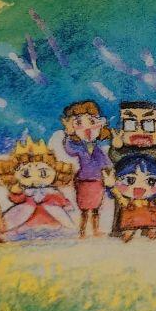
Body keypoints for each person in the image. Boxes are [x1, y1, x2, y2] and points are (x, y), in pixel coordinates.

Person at [49, 100, 112, 238]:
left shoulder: (97, 149)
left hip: (97, 181)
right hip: (83, 181)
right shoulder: (77, 147)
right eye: (78, 122)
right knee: (84, 209)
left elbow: (105, 163)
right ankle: (82, 232)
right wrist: (68, 134)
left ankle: (95, 230)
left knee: (96, 209)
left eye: (91, 121)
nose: (87, 128)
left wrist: (108, 174)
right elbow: (69, 150)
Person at [0, 136, 77, 237]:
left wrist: (63, 203)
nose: (35, 179)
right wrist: (17, 192)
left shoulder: (51, 191)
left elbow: (60, 199)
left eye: (43, 173)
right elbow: (16, 199)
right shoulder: (25, 192)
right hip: (28, 220)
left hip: (50, 219)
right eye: (26, 174)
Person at [102, 153, 156, 241]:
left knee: (153, 228)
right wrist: (111, 186)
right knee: (128, 231)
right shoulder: (129, 201)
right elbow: (121, 200)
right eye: (129, 180)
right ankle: (128, 236)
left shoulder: (154, 199)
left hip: (151, 216)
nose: (140, 187)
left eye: (151, 181)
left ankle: (151, 234)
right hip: (132, 216)